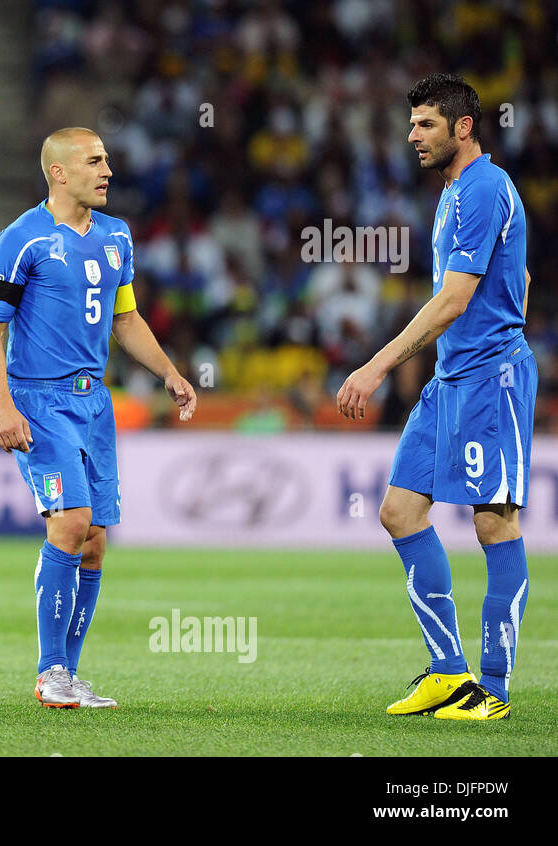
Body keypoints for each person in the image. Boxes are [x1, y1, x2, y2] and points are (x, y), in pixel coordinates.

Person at [0, 127, 197, 709]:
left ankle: (67, 676)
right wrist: (3, 405)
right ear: (59, 172)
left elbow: (125, 319)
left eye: (108, 161)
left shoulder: (117, 237)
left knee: (95, 542)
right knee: (71, 524)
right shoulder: (21, 240)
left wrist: (169, 373)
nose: (107, 171)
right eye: (94, 161)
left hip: (93, 403)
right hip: (39, 403)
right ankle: (50, 671)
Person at [337, 73, 533, 721]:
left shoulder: (482, 189)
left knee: (492, 522)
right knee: (398, 511)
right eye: (412, 122)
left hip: (490, 381)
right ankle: (449, 673)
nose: (412, 135)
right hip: (451, 379)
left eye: (426, 124)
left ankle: (495, 691)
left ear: (464, 127)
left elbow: (453, 299)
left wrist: (375, 366)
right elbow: (520, 273)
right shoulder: (453, 192)